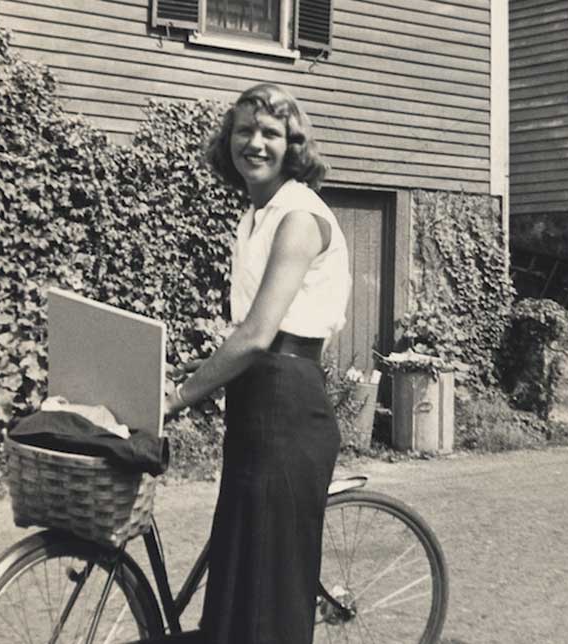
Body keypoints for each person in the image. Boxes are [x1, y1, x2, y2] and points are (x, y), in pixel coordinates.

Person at [162, 83, 351, 644]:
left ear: (293, 146)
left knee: (270, 589)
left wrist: (175, 399)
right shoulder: (255, 217)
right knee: (242, 572)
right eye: (244, 130)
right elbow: (248, 336)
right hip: (256, 399)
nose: (255, 143)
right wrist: (193, 370)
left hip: (288, 405)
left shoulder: (298, 217)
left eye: (270, 132)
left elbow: (258, 335)